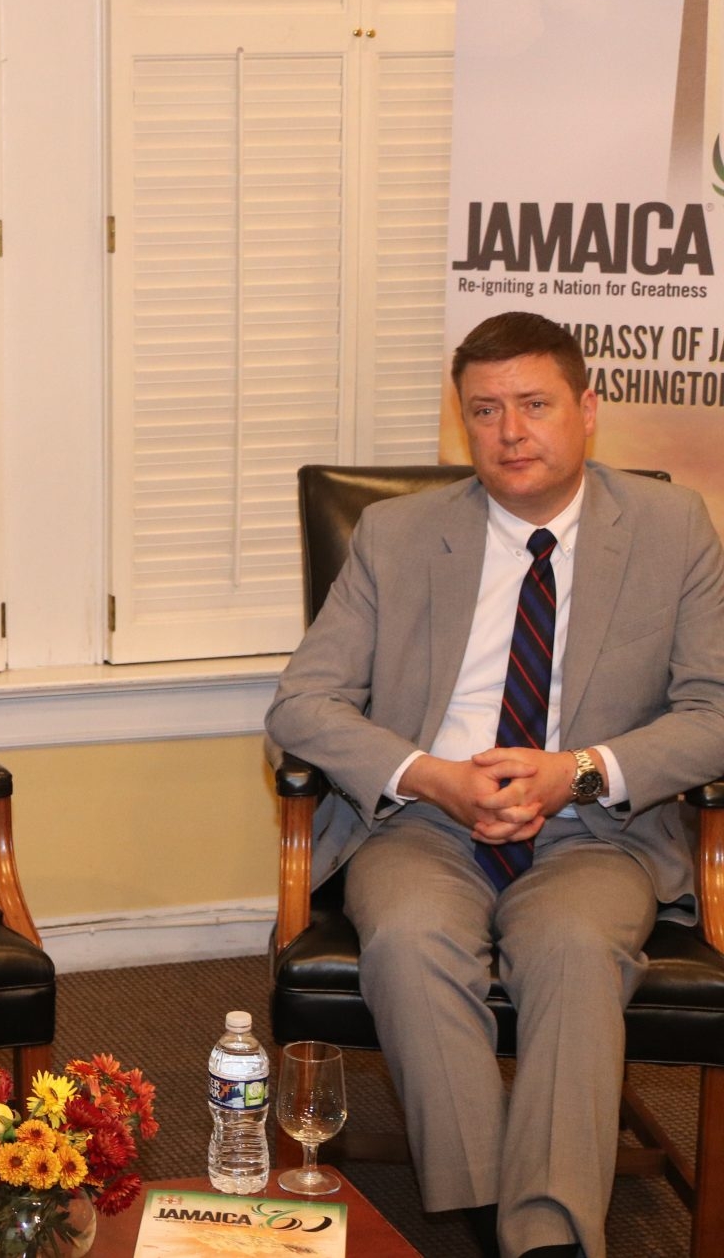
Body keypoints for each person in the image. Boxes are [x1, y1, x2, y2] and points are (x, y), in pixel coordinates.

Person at [265, 312, 724, 1258]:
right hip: (425, 825)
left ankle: (547, 1239)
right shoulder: (396, 535)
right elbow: (303, 704)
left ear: (586, 410)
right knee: (409, 936)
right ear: (462, 421)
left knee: (572, 946)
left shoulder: (674, 528)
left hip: (596, 831)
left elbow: (715, 713)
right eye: (485, 410)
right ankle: (485, 1215)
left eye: (534, 404)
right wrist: (429, 775)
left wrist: (579, 771)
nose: (511, 431)